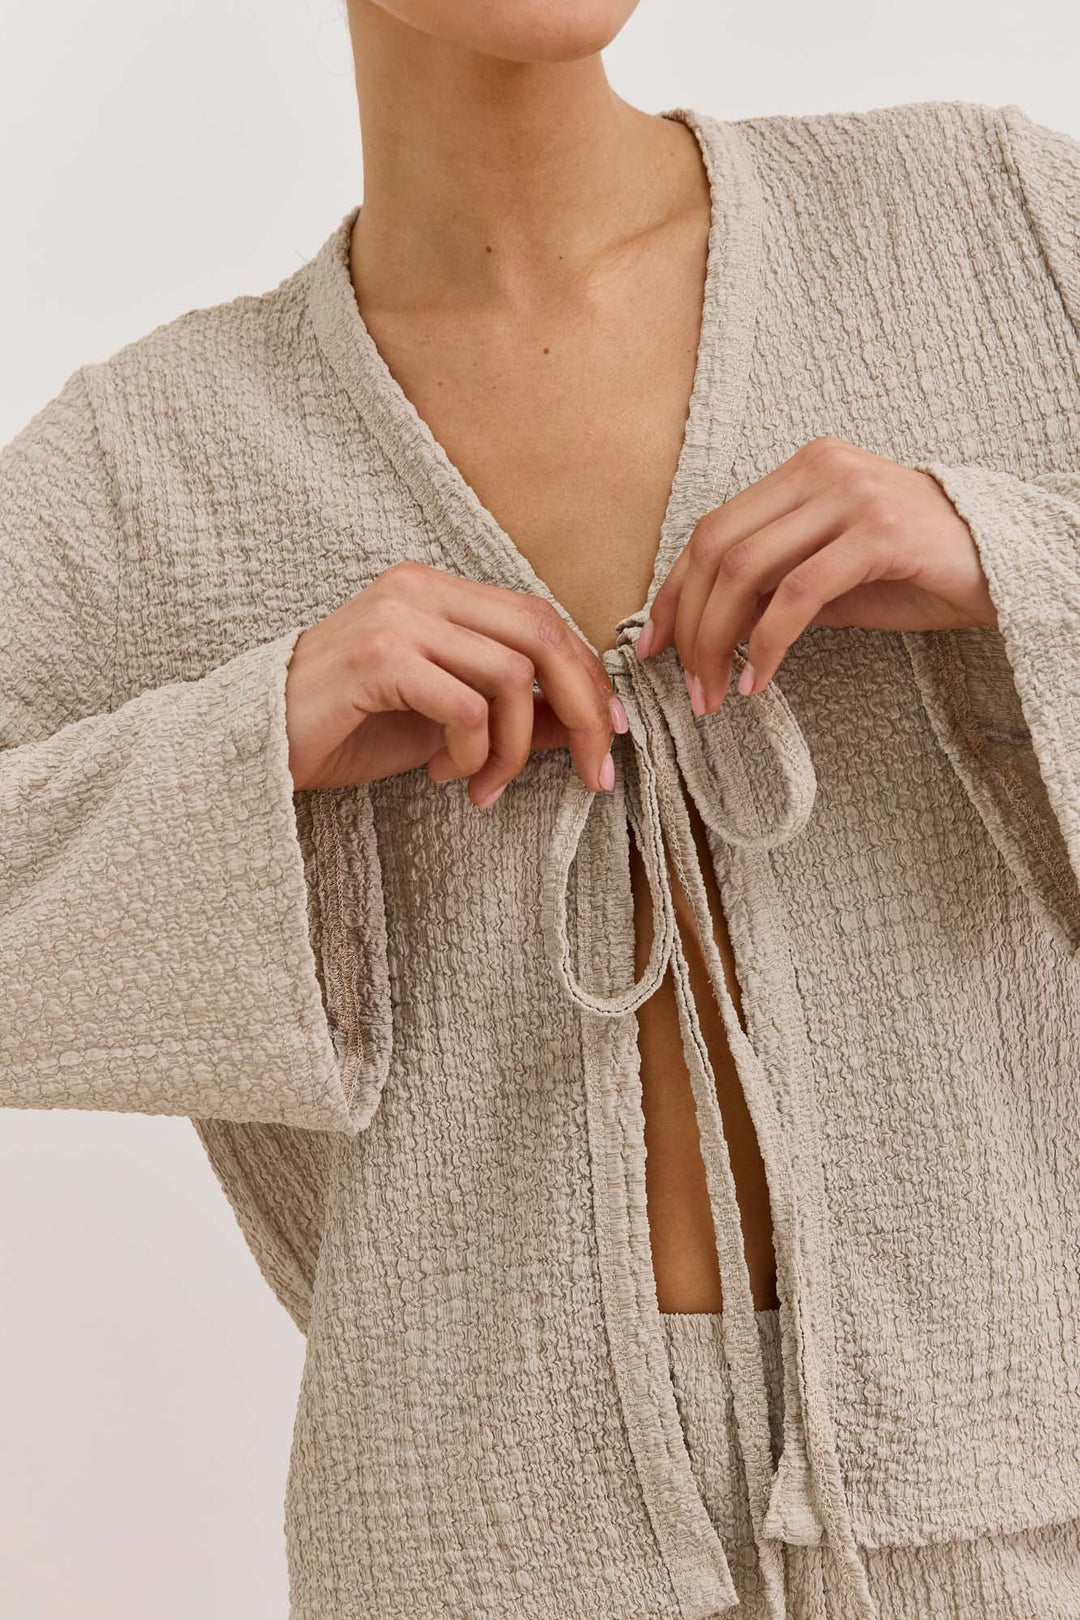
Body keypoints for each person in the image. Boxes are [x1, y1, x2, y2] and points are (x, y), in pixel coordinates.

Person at [3, 2, 1080, 1616]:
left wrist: (1010, 553)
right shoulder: (144, 471)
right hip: (482, 1558)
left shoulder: (992, 230)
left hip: (1024, 1516)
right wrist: (249, 739)